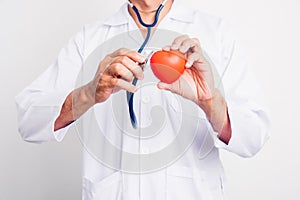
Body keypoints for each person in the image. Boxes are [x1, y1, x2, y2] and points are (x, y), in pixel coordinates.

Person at [15, 0, 270, 199]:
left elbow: (254, 136)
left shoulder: (215, 33)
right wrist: (89, 92)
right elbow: (29, 120)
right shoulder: (88, 38)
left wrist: (208, 101)